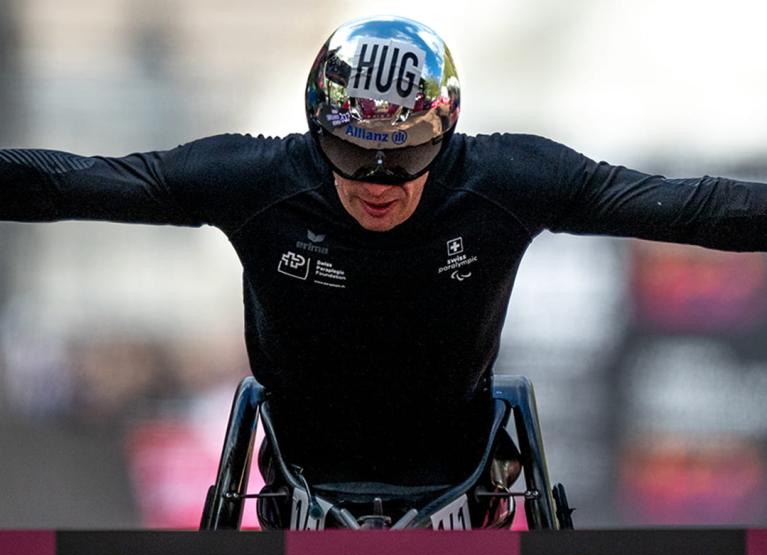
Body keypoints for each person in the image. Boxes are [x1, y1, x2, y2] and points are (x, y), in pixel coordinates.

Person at [2, 16, 767, 521]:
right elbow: (71, 179)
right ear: (315, 126)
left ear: (445, 129)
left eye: (403, 159)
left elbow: (686, 205)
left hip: (461, 462)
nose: (378, 182)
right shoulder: (254, 178)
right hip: (301, 459)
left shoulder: (507, 177)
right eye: (351, 154)